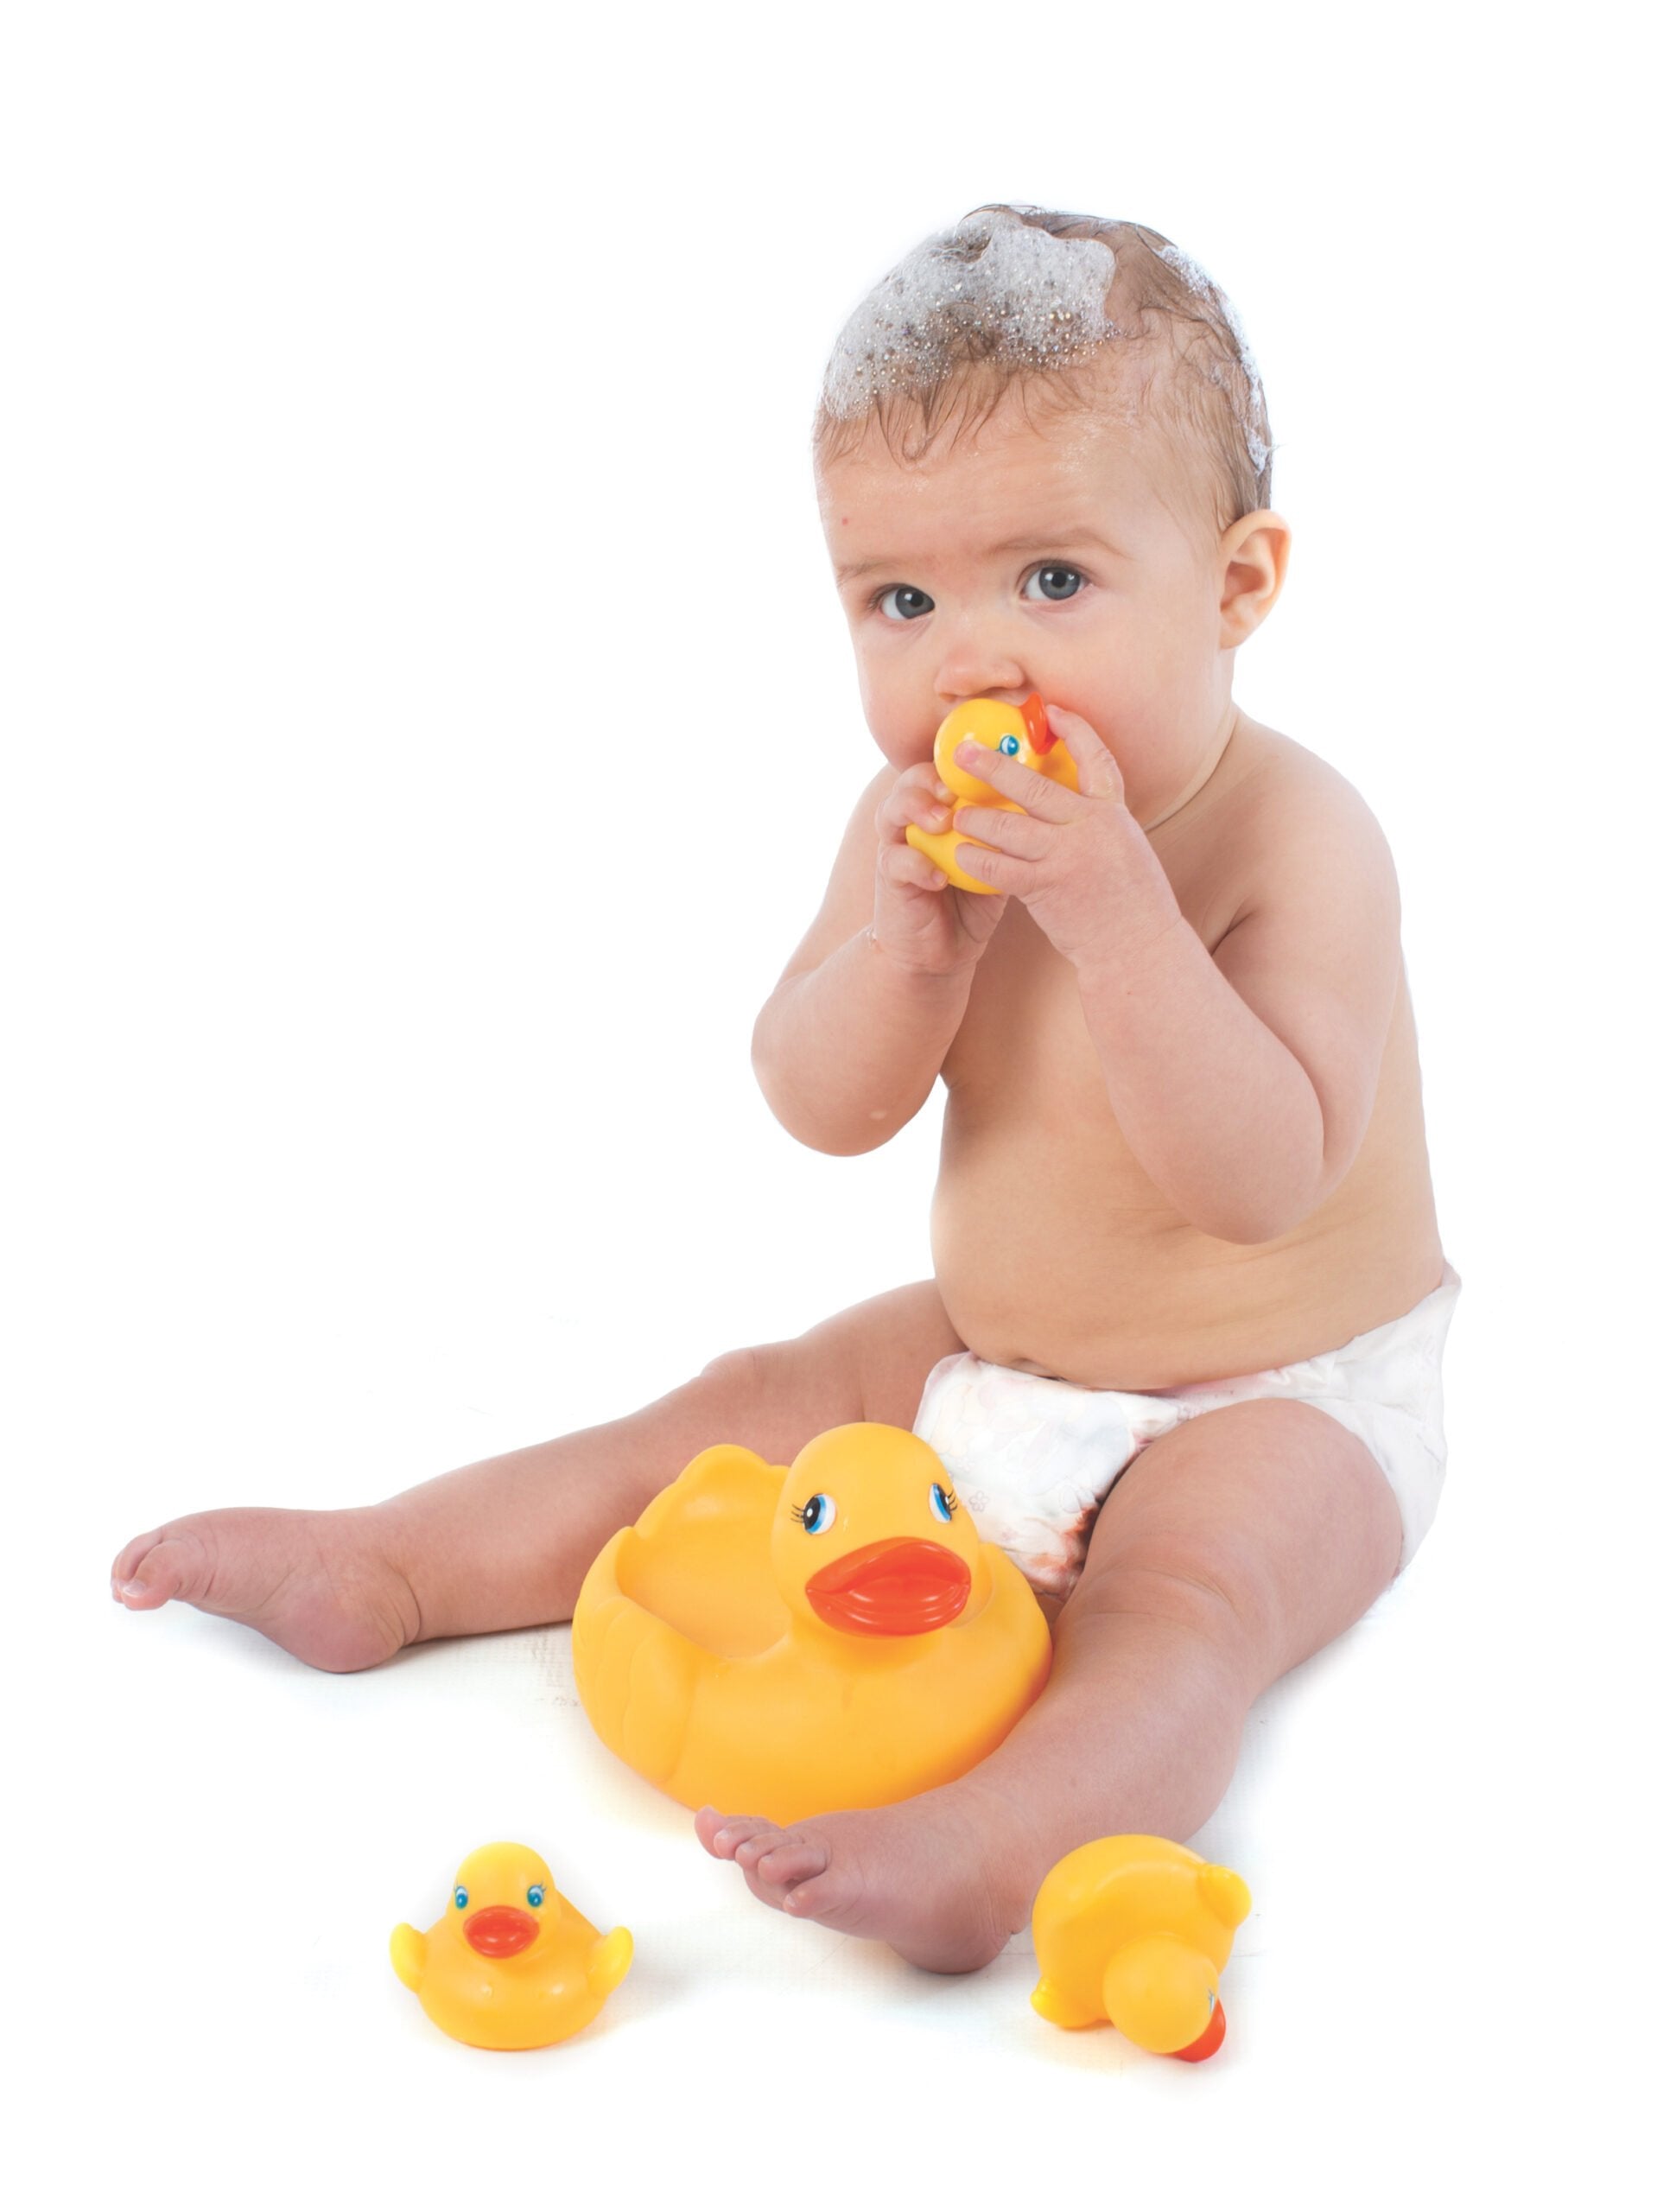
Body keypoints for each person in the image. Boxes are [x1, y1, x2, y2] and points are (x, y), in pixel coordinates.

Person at [110, 207, 1460, 1975]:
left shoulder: (1300, 837)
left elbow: (1258, 1180)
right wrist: (908, 955)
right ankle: (399, 1562)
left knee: (1179, 1600)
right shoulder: (917, 821)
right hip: (1002, 1341)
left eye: (1051, 582)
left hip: (1283, 1391)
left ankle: (998, 1843)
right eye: (902, 600)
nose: (971, 661)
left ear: (1235, 586)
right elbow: (819, 1103)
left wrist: (1116, 913)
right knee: (749, 1398)